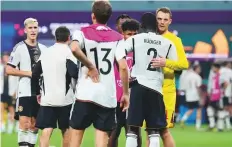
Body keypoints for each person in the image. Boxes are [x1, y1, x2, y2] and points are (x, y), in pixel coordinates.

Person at [69, 1, 129, 147]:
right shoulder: (118, 38)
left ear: (93, 15)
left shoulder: (82, 32)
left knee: (76, 136)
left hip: (84, 94)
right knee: (102, 139)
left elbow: (74, 48)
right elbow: (123, 67)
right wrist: (126, 93)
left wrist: (90, 66)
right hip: (106, 96)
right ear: (108, 17)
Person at [119, 12, 177, 147]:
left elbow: (120, 53)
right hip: (156, 89)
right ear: (156, 25)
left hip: (138, 86)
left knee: (132, 129)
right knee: (154, 130)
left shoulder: (135, 39)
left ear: (142, 25)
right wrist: (164, 63)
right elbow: (175, 65)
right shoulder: (168, 43)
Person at [146, 7, 189, 147]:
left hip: (166, 92)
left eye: (165, 19)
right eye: (159, 19)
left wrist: (166, 62)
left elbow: (184, 64)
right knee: (149, 131)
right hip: (149, 89)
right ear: (155, 19)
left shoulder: (175, 40)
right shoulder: (148, 37)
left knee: (163, 131)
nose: (162, 22)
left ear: (170, 21)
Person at [31, 26, 78, 147]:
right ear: (69, 38)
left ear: (55, 37)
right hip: (65, 99)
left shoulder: (46, 52)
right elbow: (74, 73)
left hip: (47, 99)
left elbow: (35, 74)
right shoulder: (69, 52)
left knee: (46, 130)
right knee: (66, 130)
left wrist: (37, 93)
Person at [6, 18, 47, 147]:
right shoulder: (19, 48)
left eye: (35, 27)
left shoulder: (44, 49)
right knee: (24, 123)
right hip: (24, 91)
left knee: (34, 126)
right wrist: (28, 73)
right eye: (30, 28)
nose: (33, 30)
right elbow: (8, 69)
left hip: (40, 93)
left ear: (38, 29)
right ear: (25, 30)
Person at [108, 18, 141, 147]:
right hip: (117, 96)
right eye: (129, 34)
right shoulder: (116, 48)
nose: (132, 37)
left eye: (135, 34)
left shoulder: (141, 50)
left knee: (134, 131)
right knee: (114, 131)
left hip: (135, 96)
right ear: (123, 33)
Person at [180, 64, 203, 130]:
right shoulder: (197, 77)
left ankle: (182, 119)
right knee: (199, 110)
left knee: (191, 109)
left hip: (188, 95)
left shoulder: (187, 76)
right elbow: (198, 87)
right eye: (199, 68)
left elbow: (183, 86)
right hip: (195, 95)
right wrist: (200, 97)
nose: (200, 70)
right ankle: (198, 126)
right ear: (196, 69)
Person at [0, 52, 19, 133]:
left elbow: (18, 81)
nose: (5, 59)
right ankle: (2, 126)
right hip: (2, 91)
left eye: (7, 57)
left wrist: (16, 91)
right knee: (1, 108)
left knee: (12, 110)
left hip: (11, 92)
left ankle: (11, 126)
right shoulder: (1, 68)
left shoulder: (14, 68)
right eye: (4, 57)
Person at [207, 63, 221, 131]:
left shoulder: (221, 76)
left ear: (217, 68)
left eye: (213, 68)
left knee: (219, 111)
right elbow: (213, 87)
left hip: (219, 96)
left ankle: (219, 126)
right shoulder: (214, 76)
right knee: (210, 110)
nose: (212, 69)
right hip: (213, 96)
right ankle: (212, 125)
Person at [218, 61, 232, 131]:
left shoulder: (221, 71)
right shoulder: (227, 71)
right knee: (226, 109)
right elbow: (225, 82)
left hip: (224, 94)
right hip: (226, 94)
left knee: (226, 109)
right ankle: (222, 125)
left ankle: (227, 125)